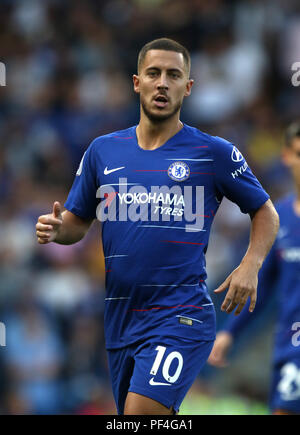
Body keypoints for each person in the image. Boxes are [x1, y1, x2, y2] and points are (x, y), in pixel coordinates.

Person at [35, 38, 279, 415]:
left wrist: (250, 265)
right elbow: (76, 225)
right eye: (153, 73)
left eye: (173, 75)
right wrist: (56, 230)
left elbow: (265, 211)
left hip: (180, 316)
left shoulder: (212, 152)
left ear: (188, 86)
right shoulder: (103, 150)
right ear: (137, 82)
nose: (162, 83)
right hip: (121, 320)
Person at [208, 122, 300, 415]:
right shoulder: (279, 218)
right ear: (286, 156)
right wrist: (229, 333)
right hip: (290, 347)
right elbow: (263, 284)